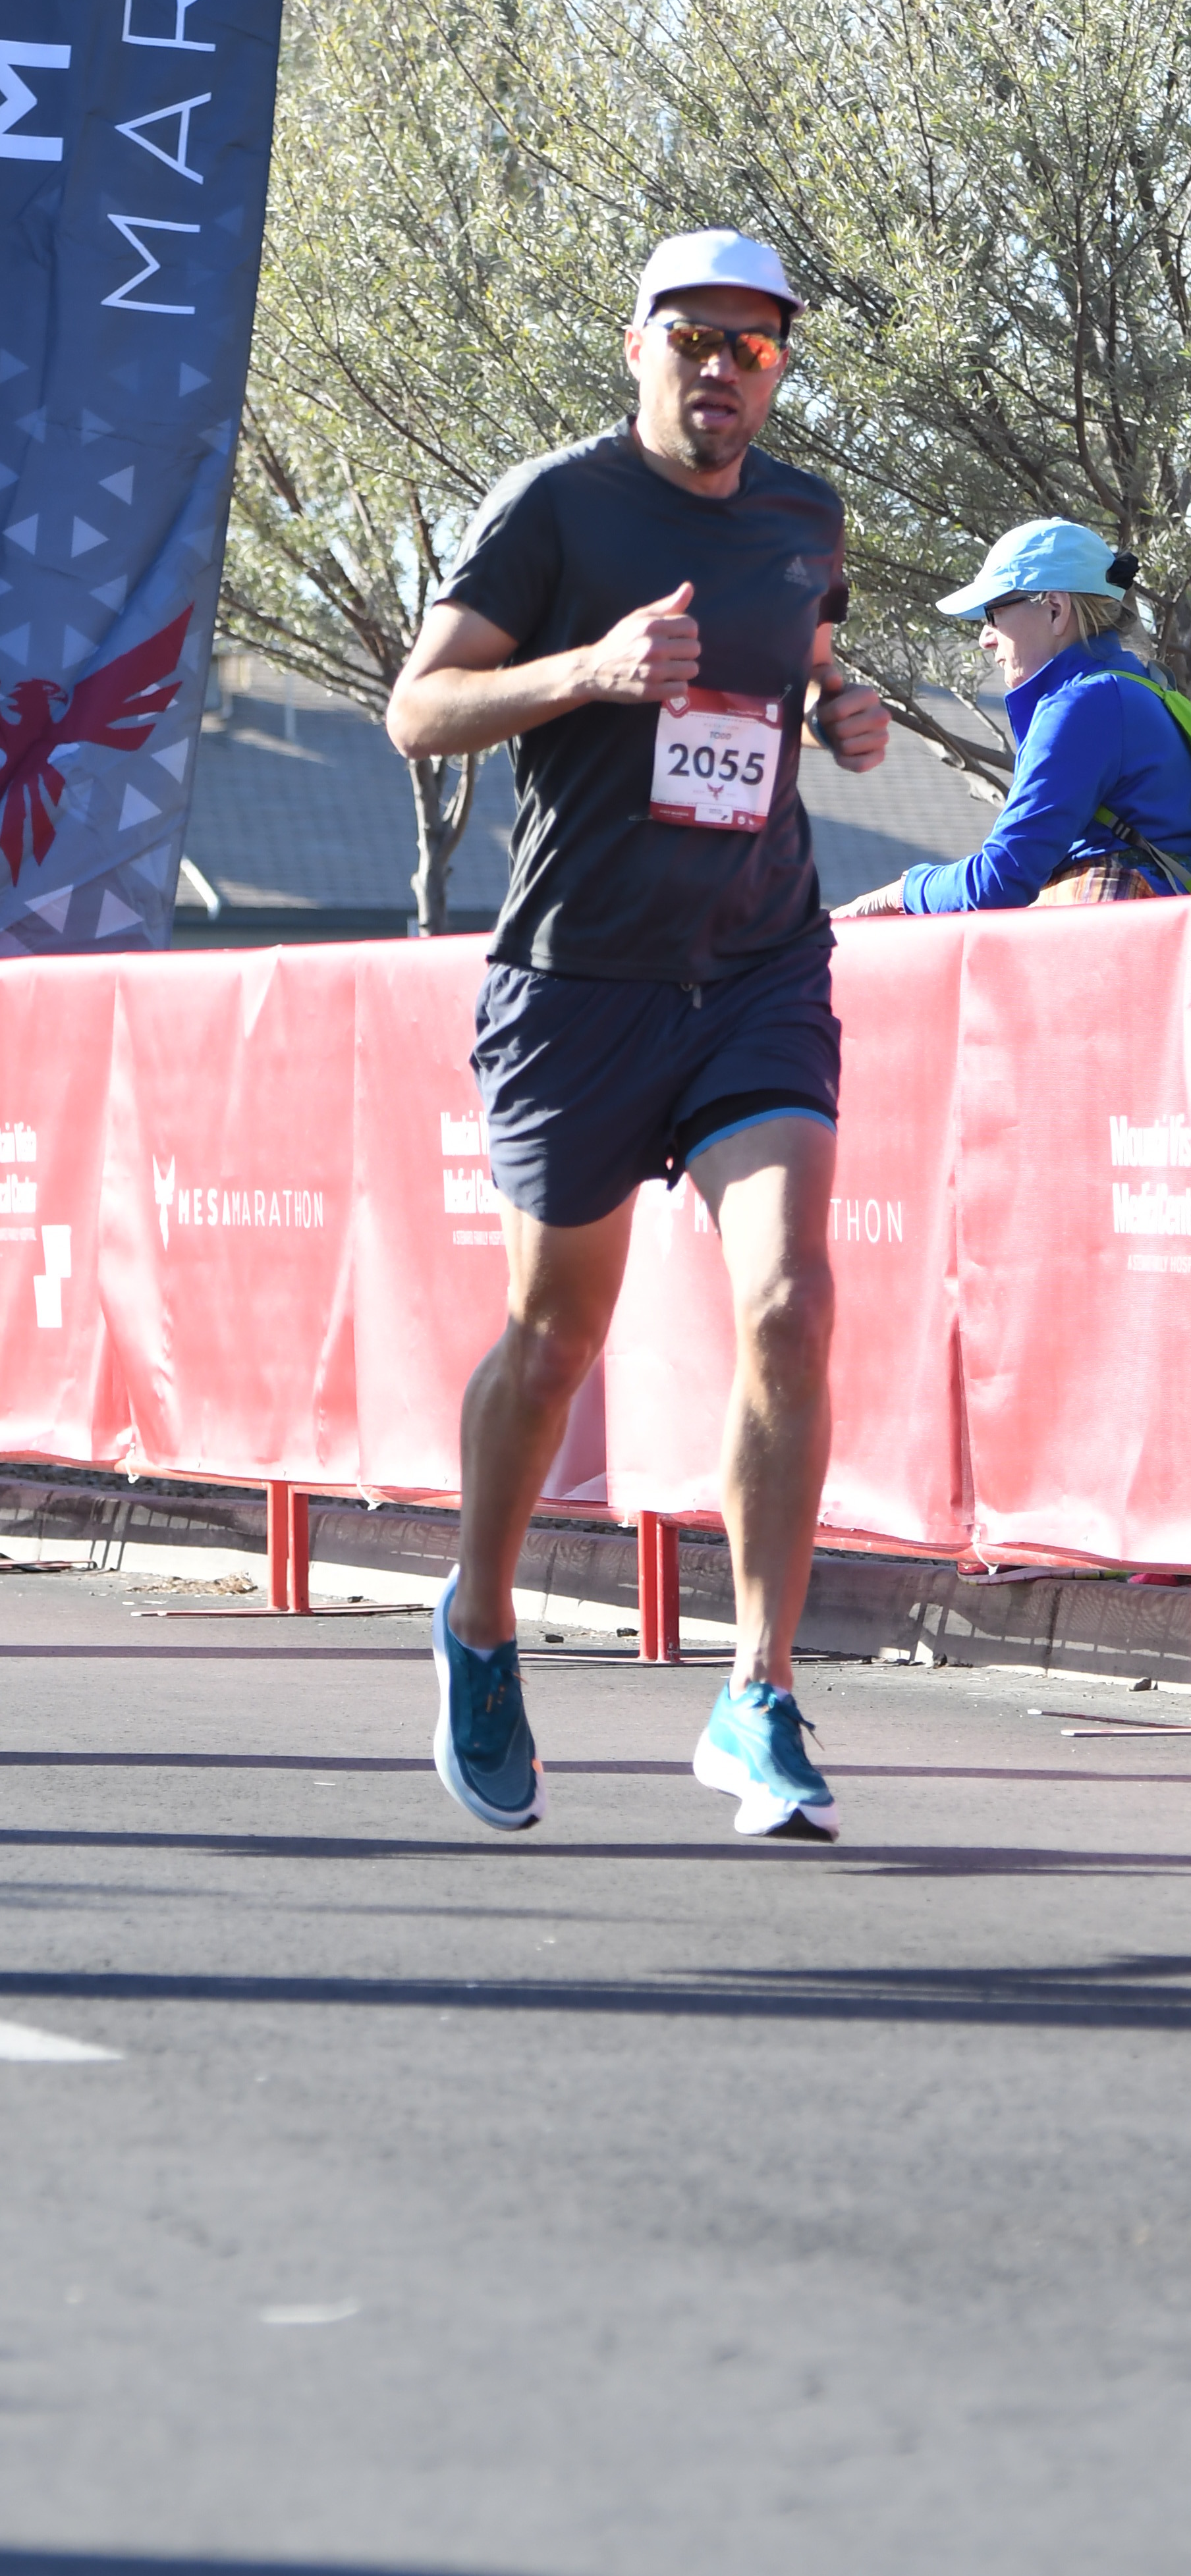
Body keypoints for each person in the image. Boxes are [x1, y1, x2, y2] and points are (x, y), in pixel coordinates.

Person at [388, 229, 891, 1844]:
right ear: (636, 346)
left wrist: (837, 709)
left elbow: (800, 660)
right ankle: (478, 1619)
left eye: (753, 345)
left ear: (779, 370)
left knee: (791, 1302)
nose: (720, 368)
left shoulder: (805, 518)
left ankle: (758, 1691)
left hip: (753, 963)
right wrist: (588, 670)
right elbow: (416, 708)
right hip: (579, 980)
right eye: (692, 338)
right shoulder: (556, 506)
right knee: (553, 1339)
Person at [834, 522, 1190, 914]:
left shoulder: (1086, 704)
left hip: (1120, 945)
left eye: (993, 613)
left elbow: (999, 880)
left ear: (1055, 610)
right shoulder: (1142, 688)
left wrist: (900, 893)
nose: (985, 638)